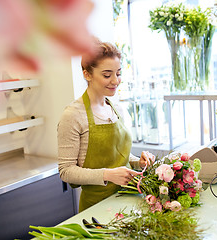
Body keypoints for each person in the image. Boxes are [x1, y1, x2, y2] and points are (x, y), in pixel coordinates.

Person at [57, 38, 154, 212]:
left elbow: (118, 157)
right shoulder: (73, 115)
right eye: (107, 75)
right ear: (87, 74)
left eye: (118, 73)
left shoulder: (115, 109)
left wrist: (137, 162)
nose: (115, 81)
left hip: (129, 199)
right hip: (96, 207)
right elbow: (66, 171)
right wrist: (108, 175)